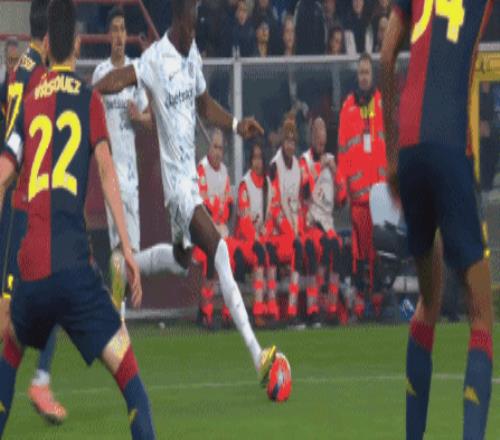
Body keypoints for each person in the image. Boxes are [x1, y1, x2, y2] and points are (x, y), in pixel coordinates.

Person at [94, 0, 277, 385]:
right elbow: (117, 79)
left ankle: (127, 263)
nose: (194, 33)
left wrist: (237, 124)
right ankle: (257, 353)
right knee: (220, 250)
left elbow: (204, 105)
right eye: (191, 25)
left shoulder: (191, 53)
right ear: (178, 20)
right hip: (177, 188)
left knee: (181, 261)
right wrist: (88, 93)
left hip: (188, 180)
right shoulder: (155, 59)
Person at [0, 0, 155, 438]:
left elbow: (5, 172)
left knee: (9, 353)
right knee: (131, 381)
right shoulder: (89, 100)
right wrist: (127, 250)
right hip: (75, 270)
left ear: (47, 45)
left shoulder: (29, 100)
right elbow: (107, 173)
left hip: (31, 271)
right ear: (80, 45)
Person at [380, 1, 495, 439]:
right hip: (449, 145)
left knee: (429, 302)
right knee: (480, 314)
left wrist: (392, 154)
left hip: (409, 151)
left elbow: (386, 56)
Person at [0, 0, 67, 424]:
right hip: (23, 205)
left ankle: (41, 380)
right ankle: (36, 381)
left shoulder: (22, 69)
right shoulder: (36, 75)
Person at [92, 6, 181, 318]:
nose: (118, 35)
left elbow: (150, 120)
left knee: (132, 250)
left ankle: (119, 306)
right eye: (114, 30)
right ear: (108, 36)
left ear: (126, 35)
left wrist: (138, 117)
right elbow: (92, 119)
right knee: (119, 246)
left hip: (131, 176)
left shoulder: (134, 73)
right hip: (110, 175)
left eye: (122, 30)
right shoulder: (101, 74)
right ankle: (119, 313)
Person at [337, 53, 386, 319]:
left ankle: (377, 303)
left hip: (379, 194)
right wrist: (342, 187)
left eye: (367, 72)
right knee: (359, 255)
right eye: (361, 73)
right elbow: (343, 150)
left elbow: (389, 146)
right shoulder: (348, 108)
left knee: (378, 253)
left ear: (372, 74)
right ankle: (361, 304)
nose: (364, 77)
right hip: (357, 196)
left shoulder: (381, 104)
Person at [300, 117, 342, 323]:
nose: (321, 144)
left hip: (328, 223)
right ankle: (313, 306)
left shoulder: (331, 160)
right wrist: (319, 167)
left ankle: (332, 307)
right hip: (311, 222)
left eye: (323, 141)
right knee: (322, 248)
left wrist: (335, 172)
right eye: (318, 139)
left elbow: (342, 198)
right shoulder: (305, 161)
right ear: (312, 137)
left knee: (338, 249)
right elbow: (305, 191)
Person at [234, 141, 278, 327]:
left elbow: (271, 216)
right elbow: (244, 222)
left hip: (261, 237)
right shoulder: (245, 185)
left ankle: (272, 306)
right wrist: (256, 238)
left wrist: (264, 236)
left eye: (260, 158)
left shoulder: (268, 184)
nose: (257, 162)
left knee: (272, 252)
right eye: (254, 158)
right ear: (250, 161)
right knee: (260, 253)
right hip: (245, 240)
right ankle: (258, 310)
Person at [193, 128, 233, 328]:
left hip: (219, 229)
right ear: (209, 147)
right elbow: (202, 206)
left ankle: (228, 313)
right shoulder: (202, 169)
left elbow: (229, 205)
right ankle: (206, 312)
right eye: (215, 147)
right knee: (211, 257)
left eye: (221, 149)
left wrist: (221, 218)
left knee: (230, 259)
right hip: (202, 231)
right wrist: (216, 218)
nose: (218, 152)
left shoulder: (224, 171)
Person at [268, 118, 306, 327]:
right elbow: (274, 205)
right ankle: (275, 311)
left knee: (302, 249)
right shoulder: (275, 166)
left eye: (293, 142)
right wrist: (290, 232)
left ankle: (292, 310)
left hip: (291, 227)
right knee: (294, 248)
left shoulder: (298, 166)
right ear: (282, 142)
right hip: (275, 230)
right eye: (287, 141)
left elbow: (297, 202)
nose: (290, 145)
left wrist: (297, 229)